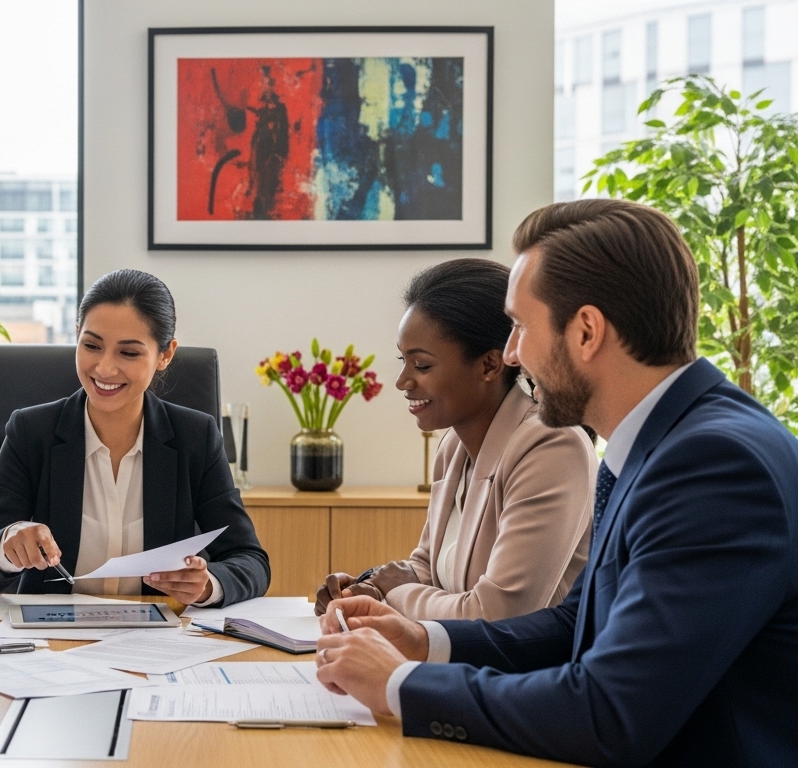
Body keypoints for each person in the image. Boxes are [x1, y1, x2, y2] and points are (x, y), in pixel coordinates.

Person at [315, 199, 798, 766]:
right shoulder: (655, 442)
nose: (513, 353)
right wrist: (425, 641)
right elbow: (579, 623)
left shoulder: (714, 464)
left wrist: (401, 685)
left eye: (520, 326)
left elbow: (611, 713)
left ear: (587, 331)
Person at [0, 269, 270, 606]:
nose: (105, 369)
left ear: (165, 355)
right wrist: (7, 546)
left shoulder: (196, 438)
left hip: (153, 642)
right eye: (92, 345)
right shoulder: (32, 432)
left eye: (129, 353)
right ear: (76, 336)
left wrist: (209, 585)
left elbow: (251, 561)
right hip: (52, 637)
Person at [313, 258, 595, 621]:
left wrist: (396, 590)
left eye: (422, 365)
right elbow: (429, 570)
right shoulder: (454, 447)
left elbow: (499, 613)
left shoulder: (552, 445)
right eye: (403, 360)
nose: (402, 381)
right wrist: (368, 590)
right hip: (461, 665)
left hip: (526, 673)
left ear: (490, 365)